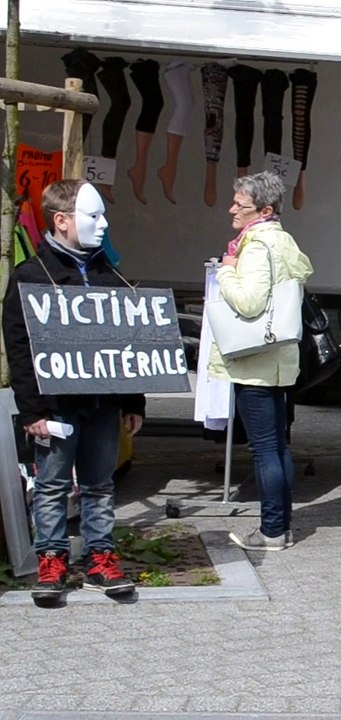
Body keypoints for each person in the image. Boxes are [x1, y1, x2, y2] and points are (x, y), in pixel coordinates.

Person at [3, 180, 144, 605]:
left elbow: (131, 340)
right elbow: (20, 348)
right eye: (94, 216)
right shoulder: (30, 276)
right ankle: (52, 562)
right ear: (62, 220)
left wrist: (134, 401)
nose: (104, 224)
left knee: (100, 484)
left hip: (102, 407)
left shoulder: (111, 275)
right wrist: (32, 411)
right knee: (51, 485)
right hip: (56, 408)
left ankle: (101, 558)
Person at [212, 171, 314, 552]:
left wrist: (224, 271)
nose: (231, 209)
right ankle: (281, 527)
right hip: (280, 359)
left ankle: (271, 530)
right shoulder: (284, 241)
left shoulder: (255, 246)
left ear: (265, 210)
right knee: (279, 447)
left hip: (255, 361)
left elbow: (250, 302)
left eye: (240, 205)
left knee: (264, 450)